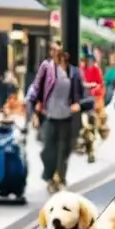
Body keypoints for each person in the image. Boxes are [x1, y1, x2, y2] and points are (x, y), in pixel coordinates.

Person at [29, 48, 86, 193]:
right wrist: (35, 112)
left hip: (67, 117)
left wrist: (78, 104)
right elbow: (37, 89)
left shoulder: (73, 72)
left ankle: (59, 178)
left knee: (64, 150)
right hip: (49, 116)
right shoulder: (47, 69)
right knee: (47, 150)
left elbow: (80, 94)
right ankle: (49, 175)